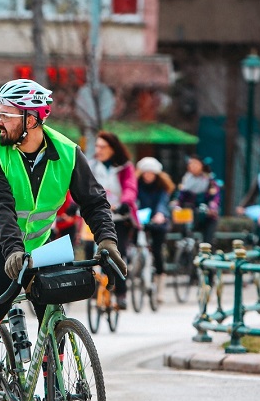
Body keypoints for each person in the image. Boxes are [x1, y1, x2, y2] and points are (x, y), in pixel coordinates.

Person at [0, 79, 126, 401]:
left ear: (33, 119)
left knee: (48, 302)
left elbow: (95, 203)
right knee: (7, 283)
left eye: (7, 115)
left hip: (36, 240)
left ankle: (54, 390)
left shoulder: (68, 153)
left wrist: (108, 242)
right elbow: (0, 208)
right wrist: (12, 250)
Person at [88, 130, 137, 309]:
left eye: (103, 146)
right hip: (96, 217)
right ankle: (92, 287)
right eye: (97, 146)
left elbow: (130, 188)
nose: (98, 150)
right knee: (88, 249)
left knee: (119, 252)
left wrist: (126, 202)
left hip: (119, 217)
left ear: (113, 148)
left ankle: (121, 293)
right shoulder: (92, 165)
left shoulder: (124, 167)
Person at [135, 156, 175, 291]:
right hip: (141, 220)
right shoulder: (137, 184)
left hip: (158, 222)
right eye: (145, 172)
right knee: (134, 244)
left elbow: (162, 203)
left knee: (157, 250)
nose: (148, 175)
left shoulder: (161, 187)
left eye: (151, 173)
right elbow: (134, 200)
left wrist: (160, 214)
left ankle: (160, 283)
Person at [173, 155, 221, 245]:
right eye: (191, 164)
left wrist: (212, 207)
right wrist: (176, 205)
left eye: (196, 164)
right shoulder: (186, 179)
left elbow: (215, 197)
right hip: (190, 213)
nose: (193, 166)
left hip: (205, 215)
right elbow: (180, 196)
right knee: (184, 234)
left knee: (207, 241)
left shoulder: (209, 180)